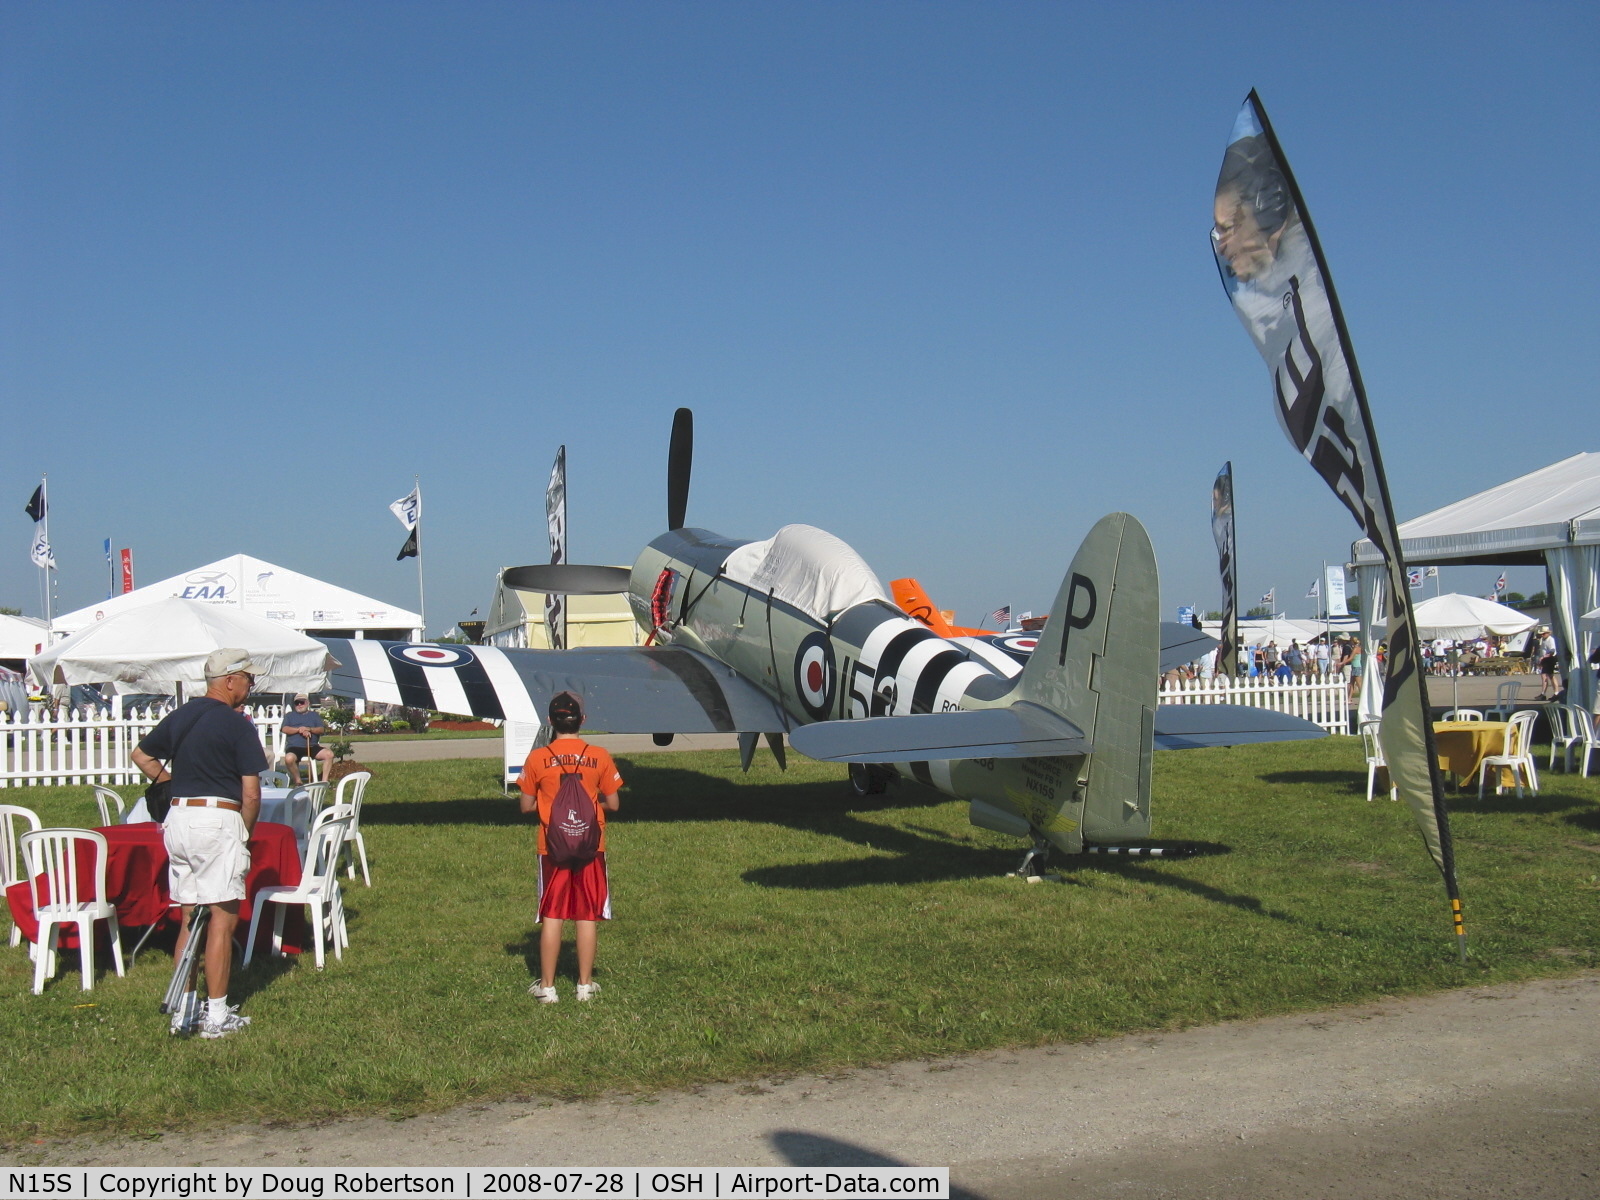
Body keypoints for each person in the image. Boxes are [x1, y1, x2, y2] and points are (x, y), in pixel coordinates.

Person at [131, 648, 267, 1039]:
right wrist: (245, 834)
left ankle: (184, 1010)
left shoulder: (182, 715)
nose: (251, 685)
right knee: (222, 920)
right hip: (218, 818)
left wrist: (170, 785)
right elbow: (252, 793)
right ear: (229, 680)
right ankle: (217, 1015)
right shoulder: (238, 724)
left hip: (179, 818)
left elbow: (141, 755)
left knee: (190, 918)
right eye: (247, 678)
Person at [518, 691, 623, 1004]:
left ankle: (547, 988)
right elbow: (614, 803)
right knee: (586, 914)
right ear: (583, 720)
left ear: (550, 721)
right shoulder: (599, 755)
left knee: (552, 914)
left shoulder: (538, 757)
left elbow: (526, 805)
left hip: (552, 847)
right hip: (592, 845)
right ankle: (584, 984)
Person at [280, 693, 332, 785]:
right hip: (294, 747)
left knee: (329, 754)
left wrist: (309, 729)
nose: (299, 705)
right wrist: (299, 730)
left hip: (312, 746)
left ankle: (324, 782)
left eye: (302, 702)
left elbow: (321, 729)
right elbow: (284, 729)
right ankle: (298, 780)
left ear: (307, 703)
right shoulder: (289, 716)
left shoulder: (314, 715)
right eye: (297, 703)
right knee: (289, 759)